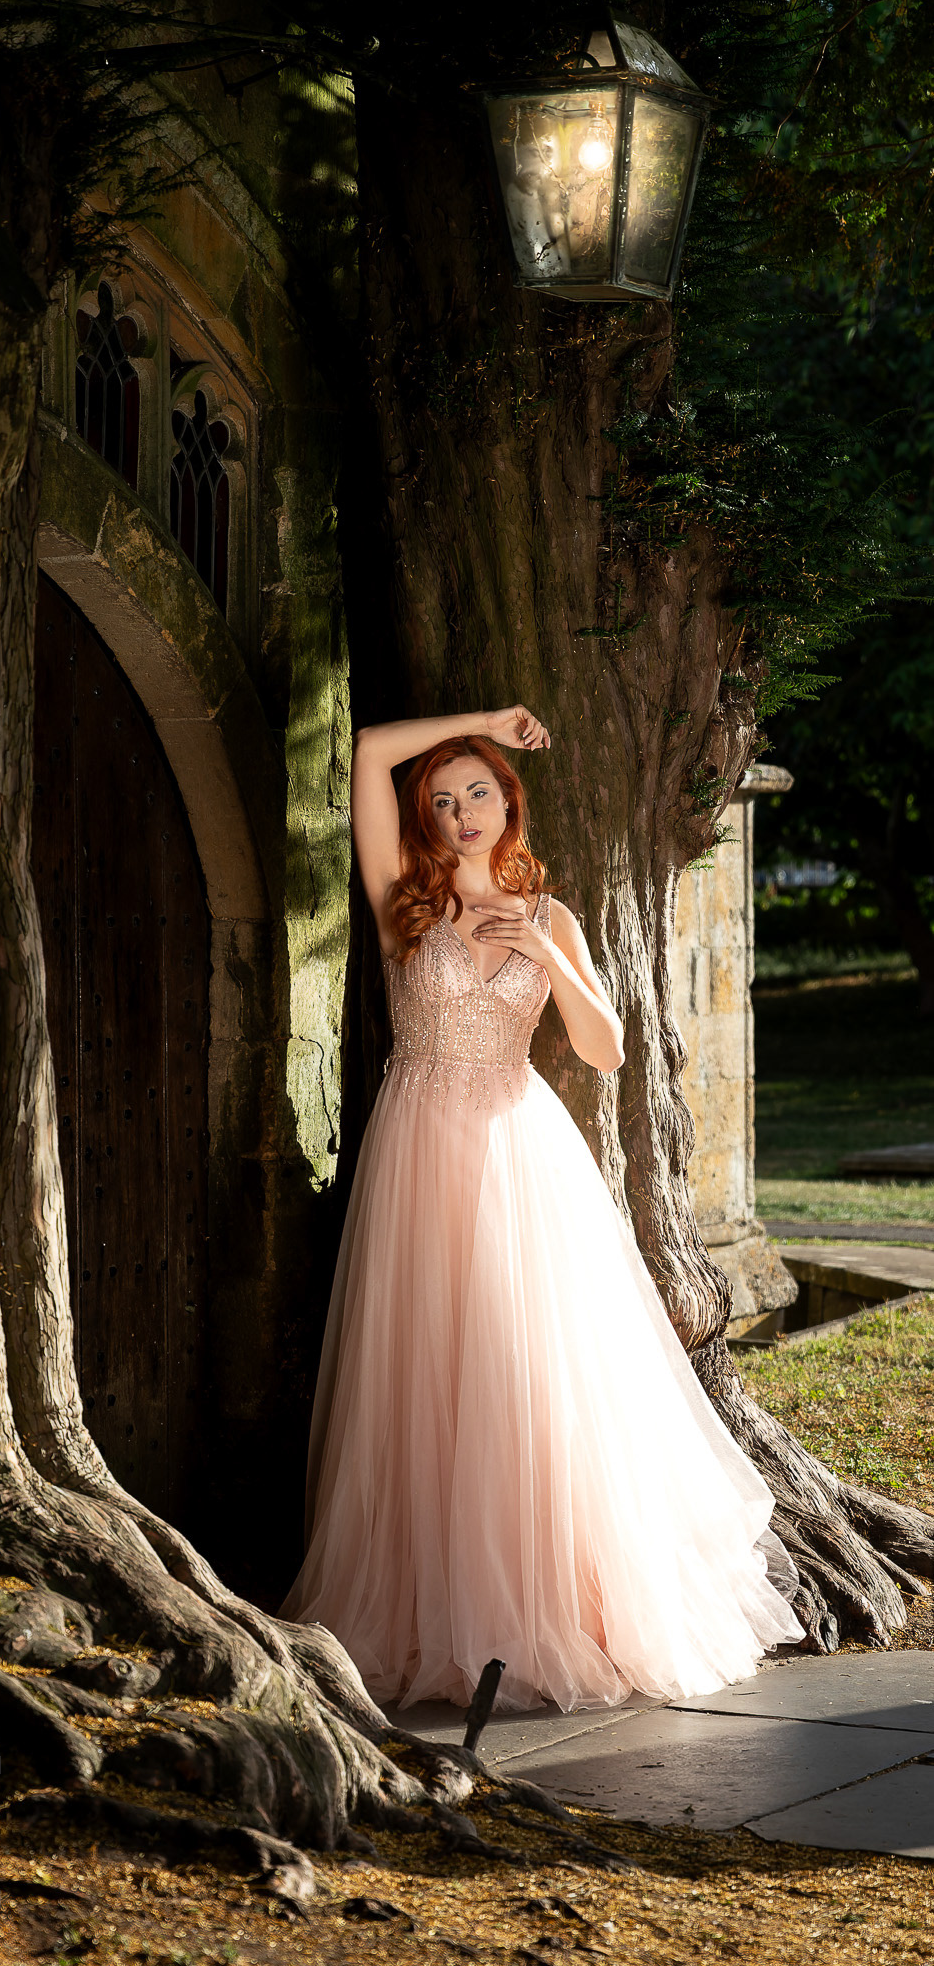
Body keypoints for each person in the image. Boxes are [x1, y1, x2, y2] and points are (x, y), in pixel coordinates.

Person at [281, 706, 803, 1713]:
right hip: (421, 1144)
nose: (462, 811)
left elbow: (605, 1049)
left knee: (530, 1375)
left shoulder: (552, 914)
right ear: (422, 820)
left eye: (479, 790)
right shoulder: (403, 898)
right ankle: (430, 1611)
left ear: (509, 803)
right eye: (442, 799)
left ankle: (542, 1606)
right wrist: (484, 723)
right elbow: (366, 753)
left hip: (523, 1151)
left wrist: (548, 951)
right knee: (428, 1374)